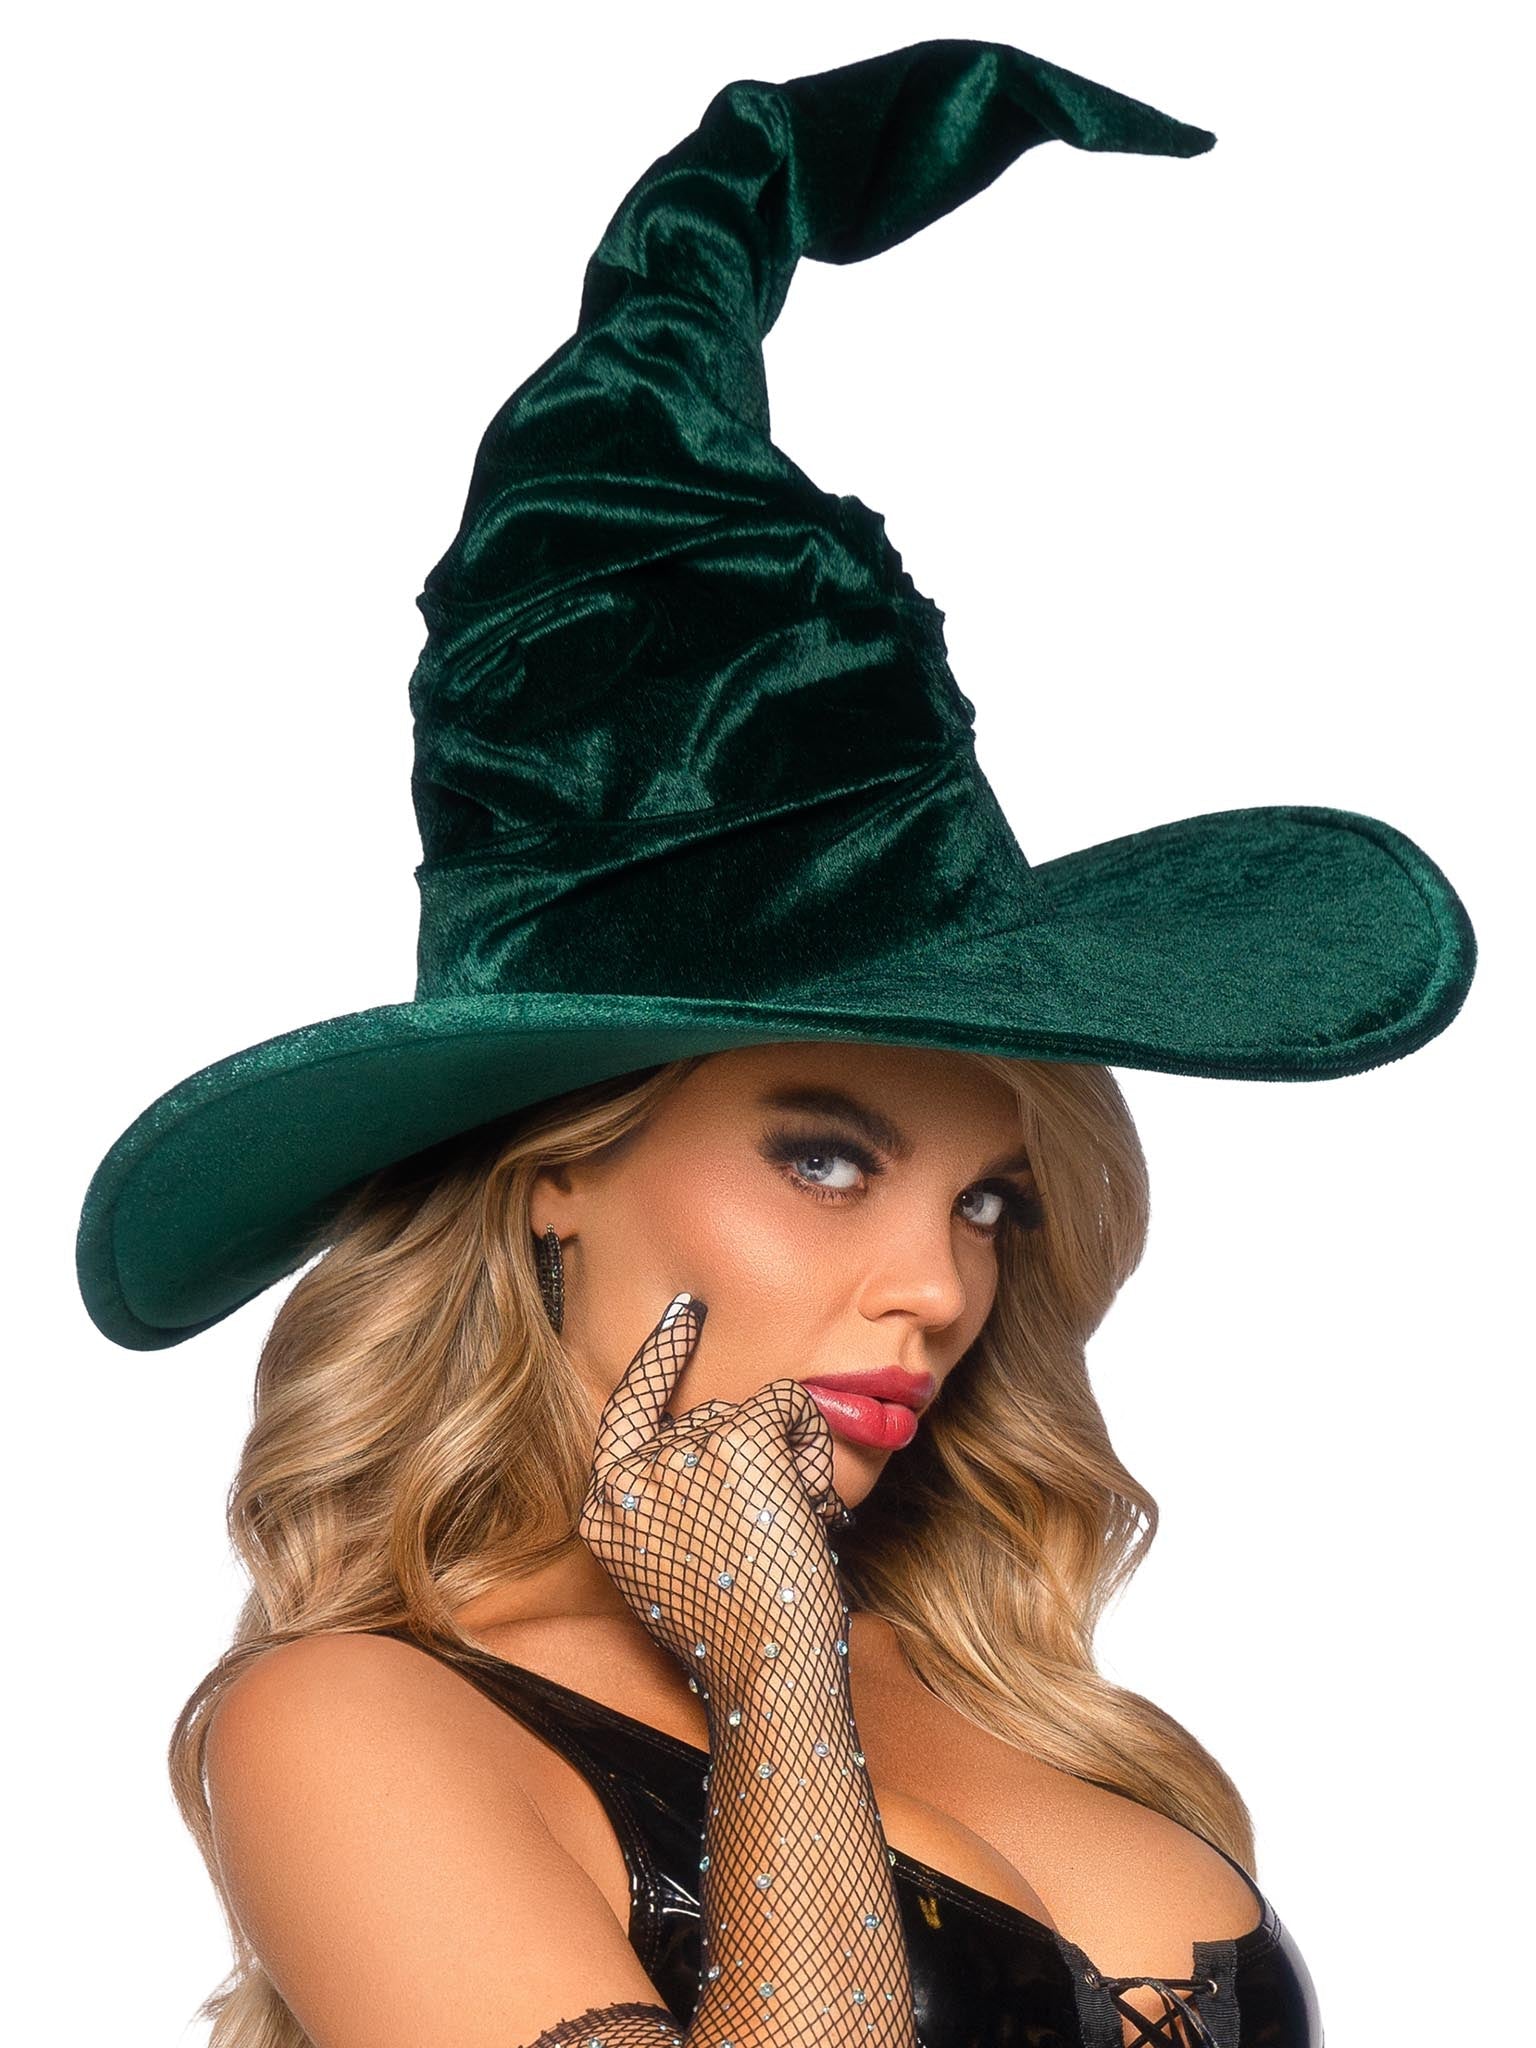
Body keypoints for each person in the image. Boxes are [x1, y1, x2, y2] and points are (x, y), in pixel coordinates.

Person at [74, 38, 1476, 2048]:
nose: (941, 1288)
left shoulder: (1020, 1693)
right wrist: (774, 1681)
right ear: (555, 1171)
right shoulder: (344, 1724)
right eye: (826, 1157)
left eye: (990, 1200)